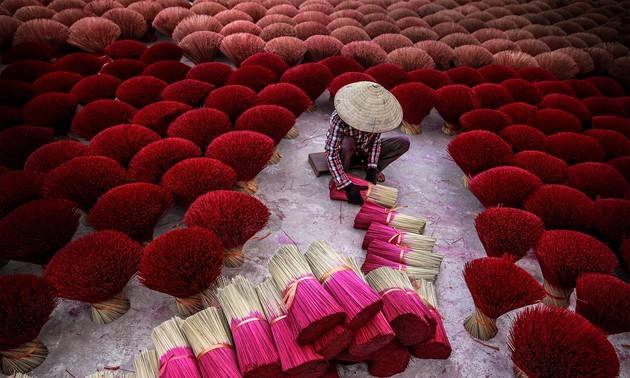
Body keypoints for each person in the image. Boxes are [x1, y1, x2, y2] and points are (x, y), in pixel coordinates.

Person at [325, 81, 410, 205]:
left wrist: (372, 168)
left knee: (403, 142)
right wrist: (347, 185)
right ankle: (343, 175)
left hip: (364, 151)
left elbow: (375, 143)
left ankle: (375, 170)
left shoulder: (378, 117)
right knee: (348, 143)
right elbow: (331, 154)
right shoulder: (339, 119)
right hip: (345, 153)